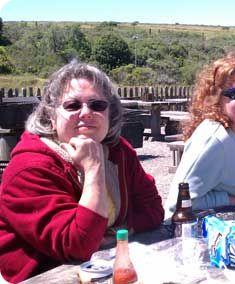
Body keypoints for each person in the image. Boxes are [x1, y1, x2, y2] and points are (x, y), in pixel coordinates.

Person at [0, 61, 165, 283]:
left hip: (107, 268)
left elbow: (153, 210)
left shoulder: (119, 150)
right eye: (72, 105)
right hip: (44, 276)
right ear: (51, 115)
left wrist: (111, 235)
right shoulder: (30, 167)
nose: (86, 113)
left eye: (97, 105)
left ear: (110, 113)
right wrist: (94, 167)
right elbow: (78, 244)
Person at [165, 54, 235, 219]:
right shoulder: (214, 140)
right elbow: (176, 204)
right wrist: (228, 201)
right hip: (203, 233)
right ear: (217, 99)